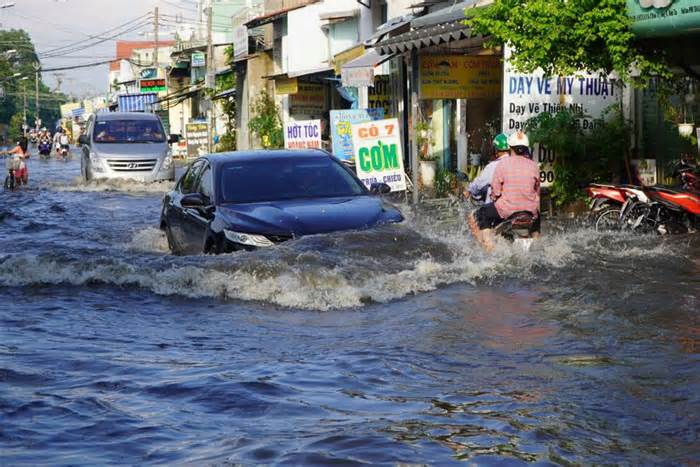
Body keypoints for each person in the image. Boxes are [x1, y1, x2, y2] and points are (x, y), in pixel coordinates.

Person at [468, 131, 540, 251]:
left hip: (507, 210)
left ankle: (488, 246)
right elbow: (537, 195)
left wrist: (497, 199)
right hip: (529, 212)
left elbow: (495, 193)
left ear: (511, 147)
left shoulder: (502, 164)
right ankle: (536, 241)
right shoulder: (534, 166)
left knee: (482, 214)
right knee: (536, 215)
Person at [465, 133, 511, 202]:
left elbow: (478, 184)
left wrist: (469, 190)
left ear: (495, 150)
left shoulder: (492, 166)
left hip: (497, 207)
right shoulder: (518, 164)